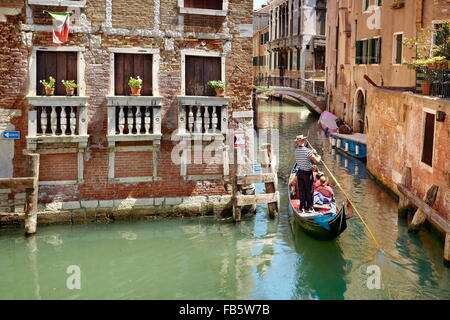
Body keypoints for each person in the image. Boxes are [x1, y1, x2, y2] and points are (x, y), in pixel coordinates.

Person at [294, 135, 322, 212]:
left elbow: (305, 156)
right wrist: (318, 155)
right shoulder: (307, 151)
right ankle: (310, 207)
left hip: (299, 173)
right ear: (303, 141)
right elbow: (316, 160)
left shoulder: (296, 151)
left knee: (302, 191)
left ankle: (302, 208)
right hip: (307, 174)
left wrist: (311, 152)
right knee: (309, 190)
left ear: (297, 142)